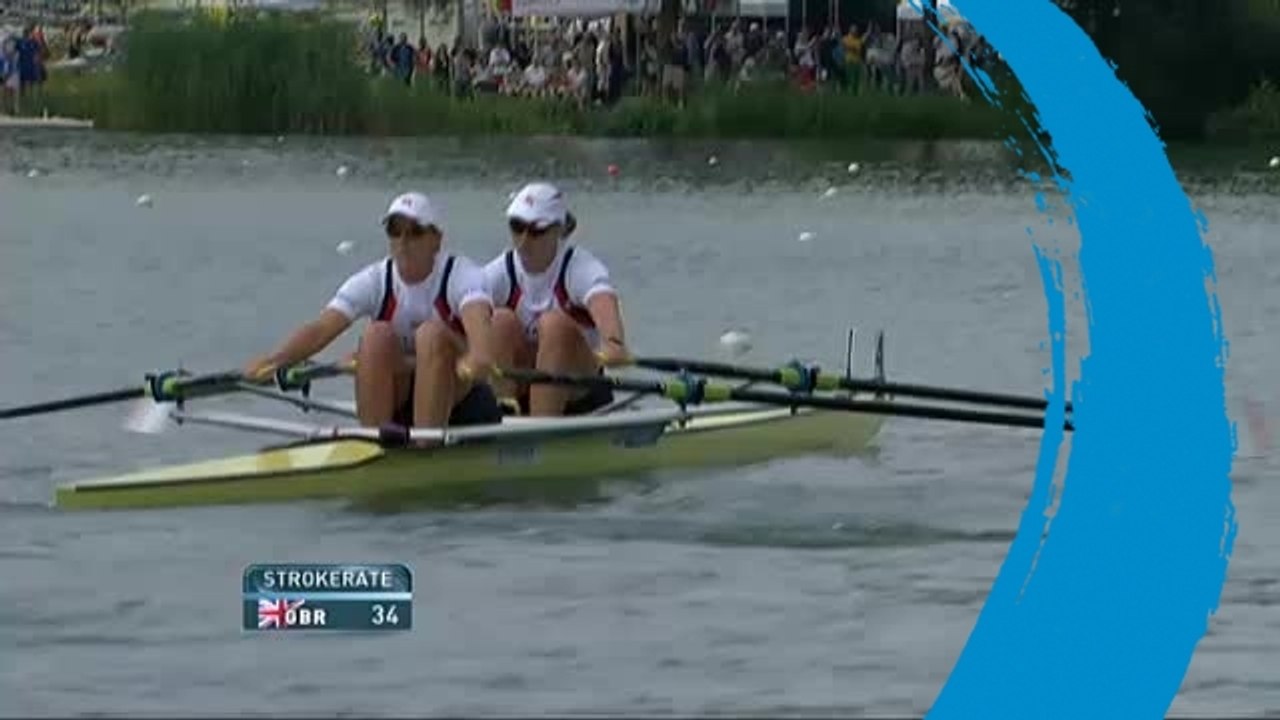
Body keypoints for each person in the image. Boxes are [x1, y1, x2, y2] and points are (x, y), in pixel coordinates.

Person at [243, 192, 501, 431]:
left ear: (436, 240)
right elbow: (321, 328)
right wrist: (274, 360)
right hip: (399, 390)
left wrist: (478, 357)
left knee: (431, 335)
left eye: (415, 232)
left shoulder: (462, 275)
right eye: (395, 231)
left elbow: (480, 332)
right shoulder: (376, 279)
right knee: (376, 336)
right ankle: (376, 441)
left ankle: (426, 444)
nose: (403, 241)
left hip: (458, 395)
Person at [483, 182, 629, 417]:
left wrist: (614, 344)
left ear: (559, 230)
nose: (524, 239)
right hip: (522, 387)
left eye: (537, 230)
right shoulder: (500, 271)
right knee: (498, 321)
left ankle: (540, 432)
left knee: (555, 326)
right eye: (517, 227)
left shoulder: (581, 268)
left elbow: (603, 301)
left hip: (579, 391)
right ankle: (502, 411)